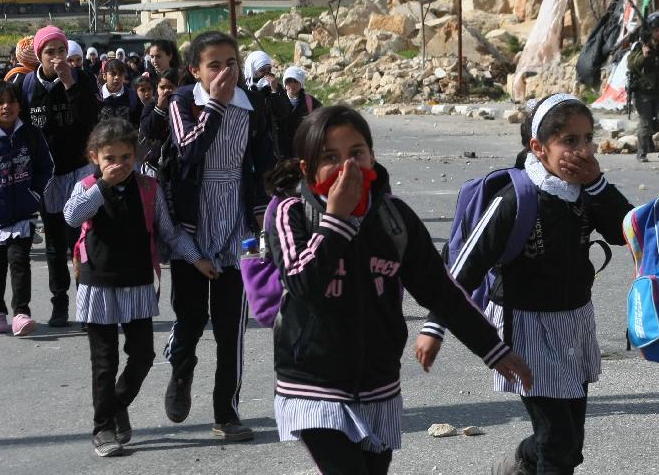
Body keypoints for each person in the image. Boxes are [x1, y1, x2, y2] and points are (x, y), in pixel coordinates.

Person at [267, 105, 531, 474]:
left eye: (357, 153)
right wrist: (336, 221)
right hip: (312, 385)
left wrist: (493, 349)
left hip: (378, 385)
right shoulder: (289, 212)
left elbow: (442, 291)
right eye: (330, 157)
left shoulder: (395, 218)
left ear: (372, 157)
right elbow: (302, 282)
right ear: (306, 169)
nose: (348, 168)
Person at [415, 94, 632, 475]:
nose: (581, 151)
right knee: (557, 441)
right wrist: (435, 324)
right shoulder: (516, 197)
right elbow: (466, 265)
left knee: (568, 442)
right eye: (569, 141)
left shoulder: (584, 190)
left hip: (574, 325)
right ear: (538, 147)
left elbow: (626, 231)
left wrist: (598, 183)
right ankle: (534, 460)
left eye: (587, 139)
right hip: (526, 327)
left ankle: (521, 462)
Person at [63, 118, 215, 458]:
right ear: (95, 157)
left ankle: (117, 404)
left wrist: (195, 258)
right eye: (110, 158)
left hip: (138, 283)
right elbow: (72, 217)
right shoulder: (87, 185)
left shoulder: (149, 188)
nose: (119, 165)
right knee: (104, 360)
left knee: (143, 355)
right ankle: (103, 427)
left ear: (137, 156)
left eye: (126, 158)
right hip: (98, 283)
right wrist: (101, 186)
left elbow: (169, 232)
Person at [161, 31, 276, 441]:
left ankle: (226, 412)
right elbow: (189, 151)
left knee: (232, 328)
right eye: (214, 65)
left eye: (231, 63)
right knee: (190, 318)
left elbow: (266, 165)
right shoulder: (182, 103)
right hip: (192, 222)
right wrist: (214, 105)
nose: (225, 72)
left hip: (237, 225)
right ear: (195, 71)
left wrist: (263, 215)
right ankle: (181, 371)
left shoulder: (253, 105)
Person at [19, 25, 101, 327]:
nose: (56, 57)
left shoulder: (82, 78)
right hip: (48, 176)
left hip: (78, 170)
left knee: (81, 241)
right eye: (49, 52)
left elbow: (92, 118)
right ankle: (59, 302)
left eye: (61, 51)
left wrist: (70, 85)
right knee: (54, 243)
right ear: (39, 55)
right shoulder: (28, 86)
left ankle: (86, 303)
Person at [0, 81, 54, 335]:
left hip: (23, 213)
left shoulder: (31, 134)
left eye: (12, 101)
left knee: (20, 262)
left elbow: (46, 167)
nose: (6, 107)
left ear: (20, 105)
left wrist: (33, 194)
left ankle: (21, 313)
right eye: (0, 103)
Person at [627, 12, 659, 162]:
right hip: (643, 93)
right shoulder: (639, 46)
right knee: (645, 122)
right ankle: (641, 152)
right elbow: (631, 65)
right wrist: (643, 56)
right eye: (656, 30)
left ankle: (647, 135)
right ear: (650, 31)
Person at [271, 66, 321, 158]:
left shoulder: (310, 102)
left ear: (301, 83)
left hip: (303, 150)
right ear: (284, 83)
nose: (292, 84)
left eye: (295, 81)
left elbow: (321, 121)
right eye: (289, 81)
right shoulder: (275, 99)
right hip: (280, 152)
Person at [99, 59, 142, 128]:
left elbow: (137, 122)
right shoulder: (98, 96)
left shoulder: (132, 96)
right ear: (104, 76)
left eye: (120, 74)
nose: (117, 77)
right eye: (113, 74)